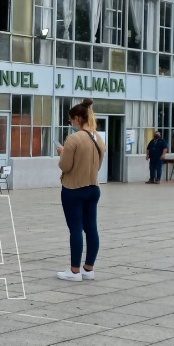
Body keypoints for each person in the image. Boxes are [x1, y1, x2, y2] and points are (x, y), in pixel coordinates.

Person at [55, 99, 105, 281]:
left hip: (73, 188)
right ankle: (88, 268)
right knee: (91, 228)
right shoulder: (98, 138)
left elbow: (65, 166)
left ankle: (74, 271)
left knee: (75, 229)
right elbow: (98, 165)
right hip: (93, 187)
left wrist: (62, 152)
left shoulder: (73, 139)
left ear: (77, 118)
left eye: (70, 120)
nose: (71, 123)